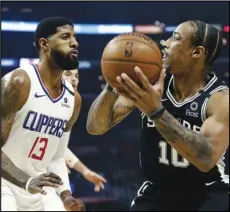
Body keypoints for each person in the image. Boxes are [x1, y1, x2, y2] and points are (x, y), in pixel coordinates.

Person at [86, 20, 229, 210]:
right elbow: (96, 127)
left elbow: (205, 160)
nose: (165, 42)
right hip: (158, 191)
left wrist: (155, 111)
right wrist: (113, 83)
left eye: (175, 38)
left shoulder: (219, 99)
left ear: (196, 52)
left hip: (208, 192)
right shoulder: (150, 84)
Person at [1, 17, 85, 211]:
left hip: (39, 187)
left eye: (74, 37)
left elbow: (56, 158)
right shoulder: (20, 82)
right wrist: (26, 181)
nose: (75, 42)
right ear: (44, 44)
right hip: (5, 185)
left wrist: (66, 197)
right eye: (65, 37)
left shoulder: (74, 100)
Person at [62, 69, 107, 192]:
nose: (73, 79)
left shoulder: (72, 103)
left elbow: (60, 148)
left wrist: (85, 172)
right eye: (67, 74)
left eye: (77, 75)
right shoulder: (38, 102)